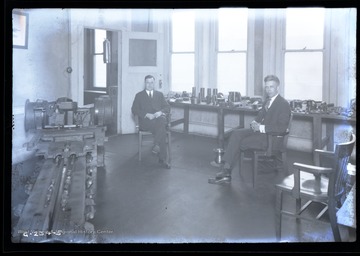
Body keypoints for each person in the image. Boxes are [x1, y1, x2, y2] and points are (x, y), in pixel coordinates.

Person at [208, 75, 291, 184]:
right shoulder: (268, 101)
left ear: (277, 88)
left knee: (240, 142)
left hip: (272, 139)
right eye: (266, 87)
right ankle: (226, 170)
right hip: (262, 133)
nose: (268, 90)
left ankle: (226, 173)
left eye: (271, 87)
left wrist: (261, 127)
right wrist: (255, 122)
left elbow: (281, 128)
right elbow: (260, 116)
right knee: (236, 134)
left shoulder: (283, 104)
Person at [131, 75, 171, 168]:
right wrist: (146, 114)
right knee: (162, 127)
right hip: (146, 122)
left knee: (161, 121)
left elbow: (167, 107)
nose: (149, 84)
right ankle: (163, 158)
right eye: (147, 82)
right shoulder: (139, 95)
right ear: (145, 83)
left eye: (151, 82)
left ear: (154, 83)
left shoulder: (159, 95)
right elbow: (134, 109)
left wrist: (160, 112)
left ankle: (157, 147)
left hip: (158, 121)